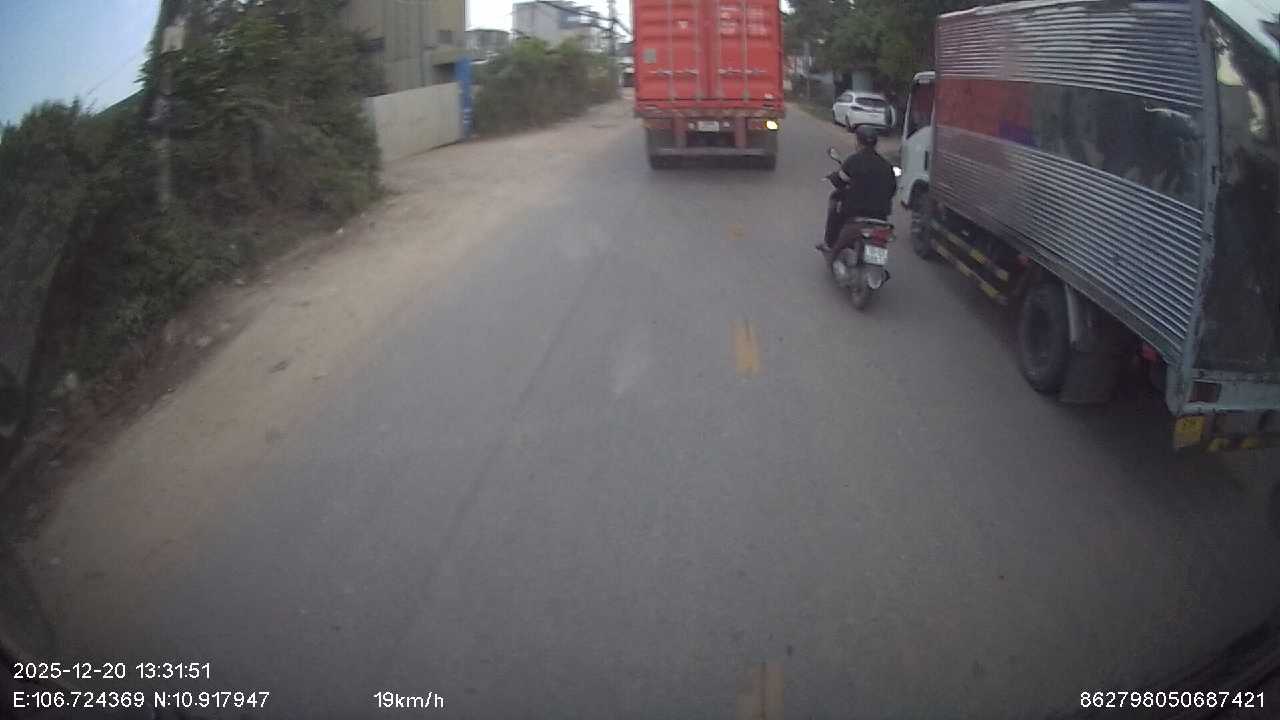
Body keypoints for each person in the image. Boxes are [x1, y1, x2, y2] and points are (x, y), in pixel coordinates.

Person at [817, 125, 898, 254]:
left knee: (835, 203)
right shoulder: (886, 165)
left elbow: (840, 181)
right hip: (881, 215)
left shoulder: (853, 161)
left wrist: (832, 177)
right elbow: (892, 189)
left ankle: (829, 244)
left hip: (855, 211)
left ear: (858, 142)